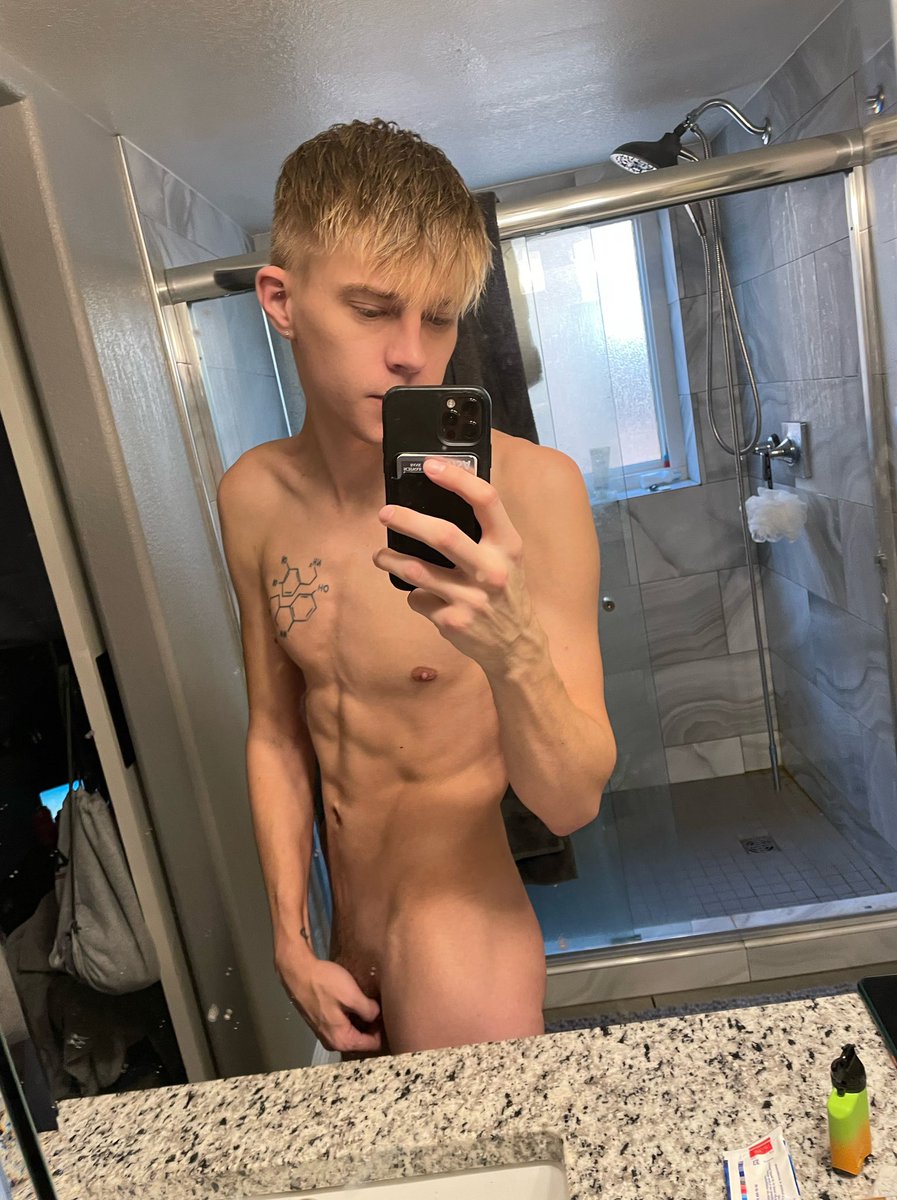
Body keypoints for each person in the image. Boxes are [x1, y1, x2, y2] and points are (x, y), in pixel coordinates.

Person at [217, 118, 616, 1058]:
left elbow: (572, 803)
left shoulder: (535, 490)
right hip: (339, 943)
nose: (411, 354)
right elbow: (277, 732)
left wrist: (512, 651)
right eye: (372, 309)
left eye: (438, 317)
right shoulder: (252, 494)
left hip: (460, 942)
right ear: (281, 299)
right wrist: (288, 936)